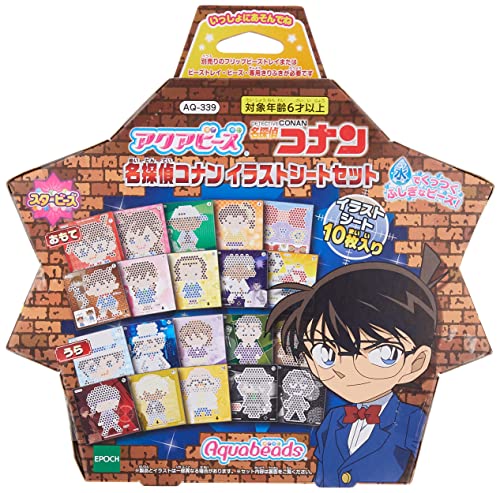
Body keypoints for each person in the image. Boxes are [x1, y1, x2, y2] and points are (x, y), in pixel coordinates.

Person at [266, 245, 444, 487]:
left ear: (416, 362)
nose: (346, 369)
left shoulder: (412, 421)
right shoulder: (333, 420)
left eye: (383, 353)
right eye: (325, 353)